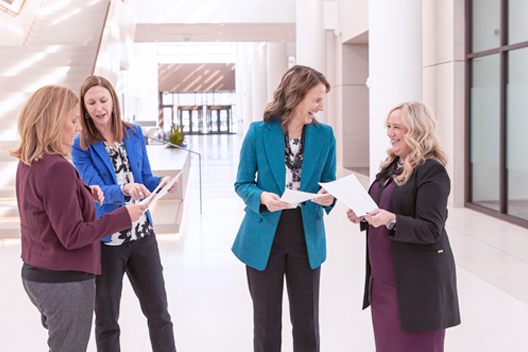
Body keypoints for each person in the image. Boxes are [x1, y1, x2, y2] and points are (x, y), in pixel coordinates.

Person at [9, 85, 147, 352]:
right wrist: (124, 216)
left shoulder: (31, 162)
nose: (78, 127)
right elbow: (73, 236)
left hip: (37, 273)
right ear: (52, 120)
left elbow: (44, 211)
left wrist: (84, 193)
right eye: (73, 120)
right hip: (65, 281)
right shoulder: (58, 167)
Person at [233, 65, 336, 352]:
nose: (321, 106)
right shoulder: (257, 133)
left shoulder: (325, 136)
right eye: (316, 99)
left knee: (307, 323)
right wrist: (263, 197)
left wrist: (329, 197)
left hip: (307, 236)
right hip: (265, 235)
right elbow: (242, 183)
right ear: (297, 96)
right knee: (266, 325)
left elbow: (330, 183)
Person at [71, 76, 177, 352]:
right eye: (91, 102)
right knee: (107, 320)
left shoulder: (133, 133)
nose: (98, 107)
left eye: (103, 100)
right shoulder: (80, 145)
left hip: (143, 236)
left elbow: (144, 177)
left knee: (160, 315)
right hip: (107, 242)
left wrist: (160, 183)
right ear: (84, 107)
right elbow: (98, 191)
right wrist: (125, 189)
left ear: (113, 102)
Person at [347, 101, 461, 351]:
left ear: (417, 130)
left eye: (396, 126)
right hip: (383, 282)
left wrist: (391, 219)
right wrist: (363, 214)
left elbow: (432, 229)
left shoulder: (431, 170)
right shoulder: (392, 166)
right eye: (389, 126)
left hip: (415, 287)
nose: (390, 132)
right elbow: (382, 207)